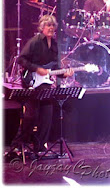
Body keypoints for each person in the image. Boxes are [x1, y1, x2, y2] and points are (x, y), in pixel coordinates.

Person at [11, 15, 73, 153]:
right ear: (42, 27)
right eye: (48, 25)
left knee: (47, 114)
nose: (51, 28)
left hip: (45, 84)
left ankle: (40, 146)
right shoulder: (34, 42)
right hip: (31, 80)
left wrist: (64, 74)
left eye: (53, 26)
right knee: (30, 116)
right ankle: (17, 145)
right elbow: (21, 59)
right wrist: (37, 68)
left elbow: (54, 68)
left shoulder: (55, 45)